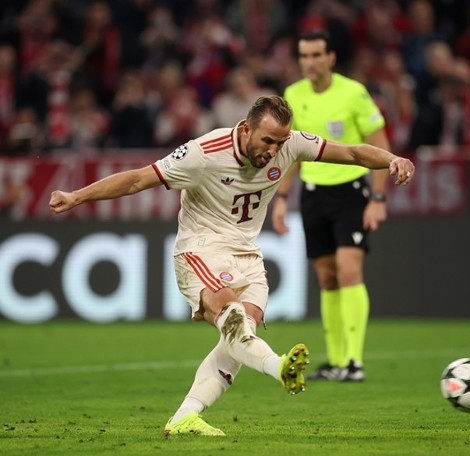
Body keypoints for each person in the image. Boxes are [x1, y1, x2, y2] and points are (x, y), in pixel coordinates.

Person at [48, 95, 415, 436]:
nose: (273, 151)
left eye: (279, 143)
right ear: (246, 129)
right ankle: (279, 367)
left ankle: (186, 415)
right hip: (201, 249)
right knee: (234, 318)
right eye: (267, 141)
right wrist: (77, 196)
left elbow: (351, 152)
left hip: (248, 256)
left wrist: (391, 159)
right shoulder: (203, 153)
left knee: (239, 339)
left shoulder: (291, 143)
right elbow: (136, 180)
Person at [271, 30, 393, 382]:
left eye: (316, 55)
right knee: (326, 276)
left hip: (350, 192)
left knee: (349, 269)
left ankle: (354, 361)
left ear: (330, 58)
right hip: (313, 194)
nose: (309, 62)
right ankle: (336, 361)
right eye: (304, 56)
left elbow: (380, 144)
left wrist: (378, 198)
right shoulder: (293, 95)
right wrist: (281, 198)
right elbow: (292, 153)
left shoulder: (353, 93)